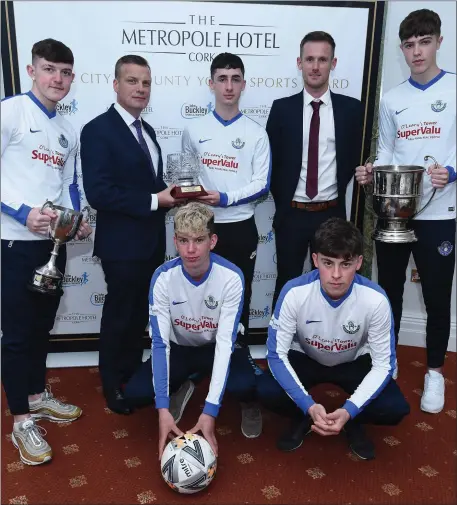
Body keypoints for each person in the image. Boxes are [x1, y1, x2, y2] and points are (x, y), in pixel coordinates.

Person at [355, 9, 455, 413]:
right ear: (402, 49)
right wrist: (371, 171)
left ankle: (434, 371)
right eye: (410, 45)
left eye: (424, 42)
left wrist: (450, 171)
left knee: (436, 295)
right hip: (396, 215)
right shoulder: (392, 99)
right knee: (388, 292)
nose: (417, 51)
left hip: (441, 213)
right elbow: (389, 152)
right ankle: (388, 360)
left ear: (438, 42)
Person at [1, 38, 92, 466]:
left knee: (41, 328)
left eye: (65, 72)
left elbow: (68, 186)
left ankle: (36, 396)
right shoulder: (10, 112)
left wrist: (76, 220)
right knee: (17, 336)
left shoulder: (66, 130)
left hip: (52, 248)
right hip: (14, 242)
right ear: (31, 70)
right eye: (49, 69)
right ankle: (20, 420)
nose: (57, 79)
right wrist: (21, 212)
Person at [257, 218, 410, 460]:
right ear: (316, 260)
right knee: (264, 390)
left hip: (353, 362)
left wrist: (350, 410)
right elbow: (276, 355)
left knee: (395, 408)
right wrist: (307, 404)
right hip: (306, 357)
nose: (336, 275)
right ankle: (305, 416)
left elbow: (384, 364)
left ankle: (351, 420)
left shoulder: (376, 299)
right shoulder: (293, 292)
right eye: (328, 263)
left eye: (346, 264)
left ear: (359, 262)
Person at [80, 55, 179, 415]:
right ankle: (111, 384)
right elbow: (99, 192)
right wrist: (157, 199)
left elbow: (153, 187)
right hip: (121, 245)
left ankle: (131, 374)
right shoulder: (97, 130)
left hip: (152, 241)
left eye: (146, 82)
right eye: (133, 81)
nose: (140, 88)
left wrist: (178, 194)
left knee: (140, 314)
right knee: (121, 313)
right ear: (116, 84)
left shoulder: (148, 131)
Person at [123, 202, 261, 457]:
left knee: (248, 386)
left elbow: (224, 344)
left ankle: (247, 403)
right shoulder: (162, 278)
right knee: (136, 393)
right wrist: (162, 408)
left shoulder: (231, 277)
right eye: (184, 240)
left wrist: (210, 411)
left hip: (217, 347)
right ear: (175, 241)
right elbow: (160, 344)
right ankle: (186, 383)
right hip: (181, 349)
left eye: (199, 240)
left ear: (213, 240)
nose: (191, 249)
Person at [181, 52, 271, 437]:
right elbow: (186, 180)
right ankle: (192, 372)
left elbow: (262, 183)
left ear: (243, 84)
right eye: (222, 78)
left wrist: (226, 199)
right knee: (196, 301)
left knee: (240, 303)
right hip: (201, 227)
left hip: (239, 227)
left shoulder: (255, 133)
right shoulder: (193, 129)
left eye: (236, 78)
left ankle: (242, 383)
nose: (229, 86)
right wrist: (196, 197)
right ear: (212, 83)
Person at [266, 31, 363, 310]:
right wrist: (285, 202)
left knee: (332, 287)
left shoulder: (351, 110)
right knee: (287, 284)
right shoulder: (281, 109)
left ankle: (327, 349)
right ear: (299, 63)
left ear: (333, 63)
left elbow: (355, 160)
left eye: (323, 59)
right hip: (292, 214)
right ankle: (279, 349)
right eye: (310, 59)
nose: (315, 66)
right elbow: (272, 164)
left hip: (332, 214)